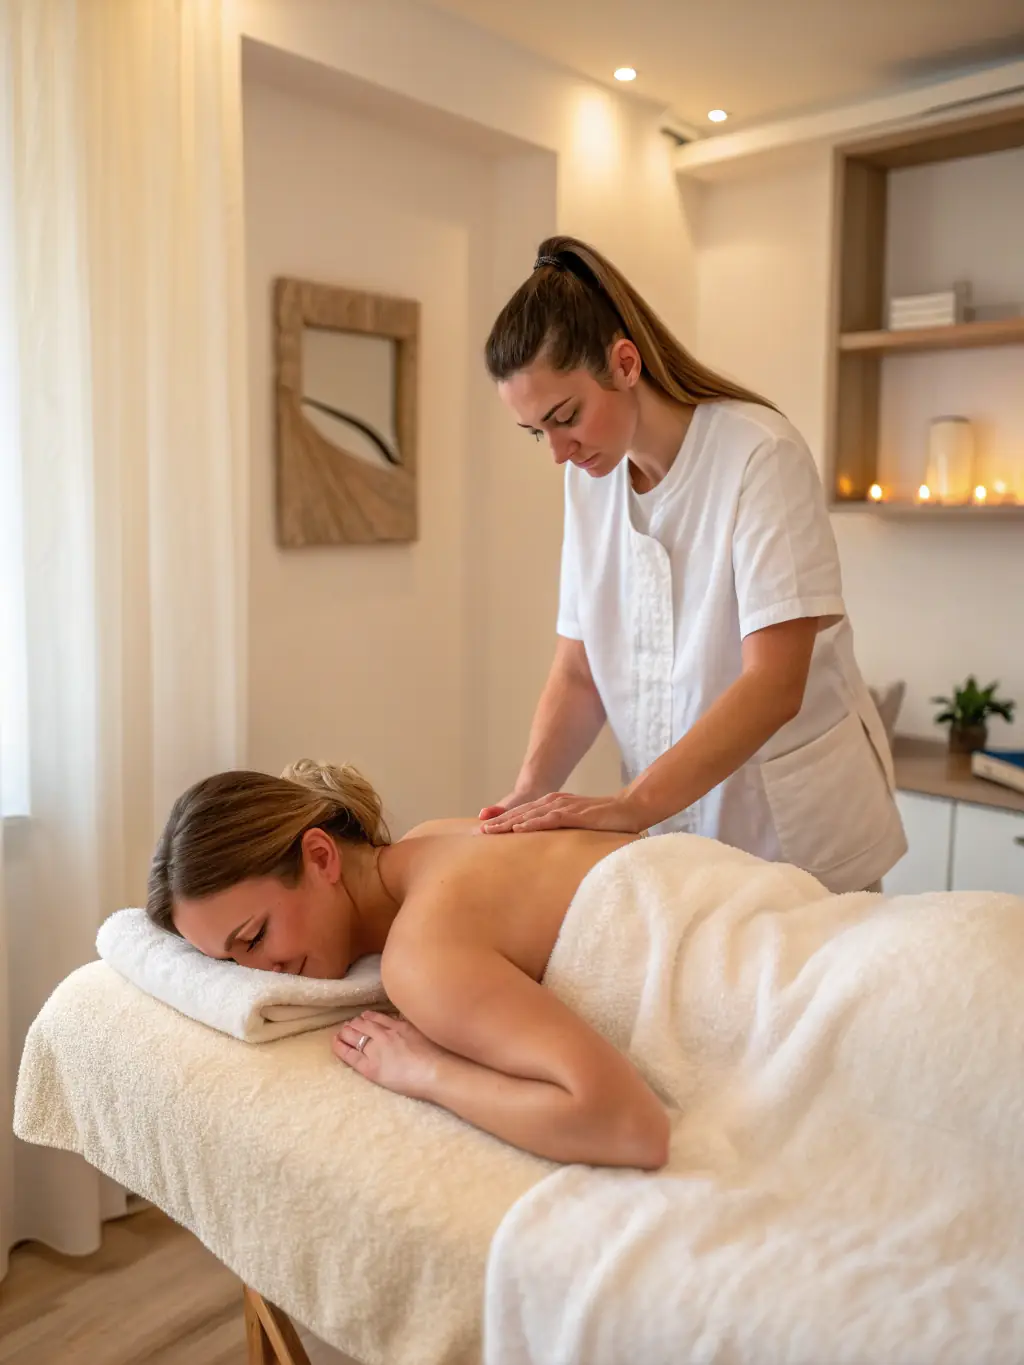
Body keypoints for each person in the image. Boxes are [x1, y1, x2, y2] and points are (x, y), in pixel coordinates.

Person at [477, 236, 906, 895]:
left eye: (566, 417)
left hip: (795, 840)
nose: (558, 452)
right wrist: (530, 794)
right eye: (538, 431)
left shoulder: (759, 455)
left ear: (624, 363)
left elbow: (774, 683)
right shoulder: (590, 480)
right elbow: (580, 669)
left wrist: (629, 806)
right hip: (676, 839)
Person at [147, 759, 668, 1170]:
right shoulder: (433, 836)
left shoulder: (421, 958)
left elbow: (629, 1127)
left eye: (256, 936)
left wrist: (425, 1072)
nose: (263, 971)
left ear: (322, 856)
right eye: (232, 961)